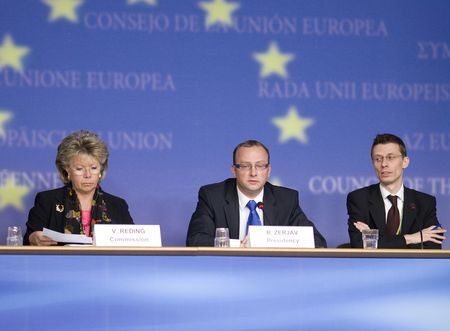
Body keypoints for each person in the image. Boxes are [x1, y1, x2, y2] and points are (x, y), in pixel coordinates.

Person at [186, 140, 327, 248]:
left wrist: (269, 241)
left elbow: (317, 242)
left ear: (268, 170)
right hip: (227, 271)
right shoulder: (213, 196)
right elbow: (195, 240)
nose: (253, 173)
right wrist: (238, 245)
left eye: (260, 166)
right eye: (245, 166)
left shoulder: (286, 199)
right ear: (234, 170)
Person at [24, 130, 134, 245]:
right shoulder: (47, 200)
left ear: (101, 170)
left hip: (106, 263)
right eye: (79, 169)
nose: (88, 175)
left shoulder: (118, 205)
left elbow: (133, 245)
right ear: (67, 171)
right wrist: (34, 238)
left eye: (93, 168)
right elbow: (29, 239)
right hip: (58, 262)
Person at [347, 133, 446, 249]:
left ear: (405, 162)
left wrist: (375, 241)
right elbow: (359, 244)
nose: (384, 164)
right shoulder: (359, 199)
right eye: (378, 159)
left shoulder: (424, 202)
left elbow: (432, 246)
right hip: (373, 267)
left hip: (413, 267)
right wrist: (411, 238)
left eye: (390, 157)